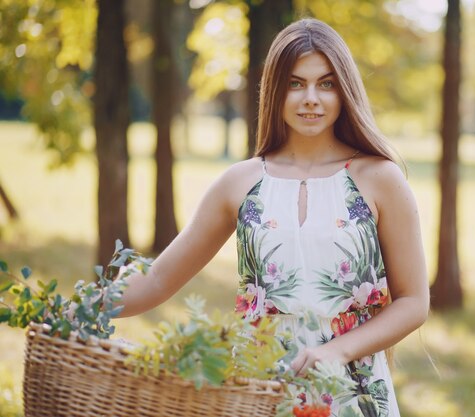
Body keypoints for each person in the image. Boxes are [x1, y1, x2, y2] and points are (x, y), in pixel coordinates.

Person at [118, 18, 429, 416]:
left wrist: (336, 350)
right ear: (274, 90)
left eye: (326, 83)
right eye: (295, 83)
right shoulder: (241, 183)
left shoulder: (379, 179)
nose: (311, 98)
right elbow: (159, 278)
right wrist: (88, 307)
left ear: (345, 89)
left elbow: (413, 301)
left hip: (353, 394)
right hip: (258, 392)